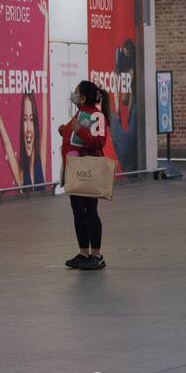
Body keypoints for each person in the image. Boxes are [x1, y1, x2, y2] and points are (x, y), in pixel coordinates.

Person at [61, 80, 110, 271]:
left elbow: (98, 143)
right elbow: (75, 137)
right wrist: (64, 131)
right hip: (74, 168)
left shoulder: (96, 115)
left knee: (90, 211)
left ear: (83, 97)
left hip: (88, 168)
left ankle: (97, 255)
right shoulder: (80, 113)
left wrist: (77, 130)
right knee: (77, 211)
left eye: (76, 92)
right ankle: (83, 253)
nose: (73, 94)